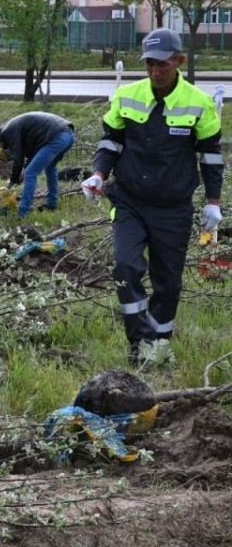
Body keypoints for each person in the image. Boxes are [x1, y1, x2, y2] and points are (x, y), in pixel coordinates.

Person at [83, 28, 223, 366]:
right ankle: (140, 342)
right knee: (125, 268)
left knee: (168, 282)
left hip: (173, 207)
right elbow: (111, 142)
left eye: (162, 65)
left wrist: (213, 202)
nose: (155, 72)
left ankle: (159, 345)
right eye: (149, 65)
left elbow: (211, 156)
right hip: (129, 200)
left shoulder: (199, 104)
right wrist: (99, 173)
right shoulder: (127, 96)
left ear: (178, 61)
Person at [0, 112, 75, 216]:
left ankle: (22, 212)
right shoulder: (13, 128)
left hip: (57, 137)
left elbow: (18, 158)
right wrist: (25, 167)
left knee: (30, 173)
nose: (2, 147)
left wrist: (12, 181)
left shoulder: (8, 132)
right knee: (50, 167)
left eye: (0, 146)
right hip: (68, 135)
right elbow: (33, 153)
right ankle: (52, 204)